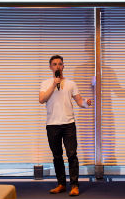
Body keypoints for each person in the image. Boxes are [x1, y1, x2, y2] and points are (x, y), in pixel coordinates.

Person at [39, 55, 92, 196]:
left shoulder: (71, 84)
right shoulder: (45, 83)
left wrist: (86, 102)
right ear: (50, 67)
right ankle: (61, 184)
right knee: (57, 156)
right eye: (55, 64)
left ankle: (74, 185)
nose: (57, 66)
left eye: (60, 64)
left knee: (72, 154)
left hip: (68, 124)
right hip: (52, 125)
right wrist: (53, 84)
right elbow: (42, 99)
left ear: (63, 66)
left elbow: (79, 101)